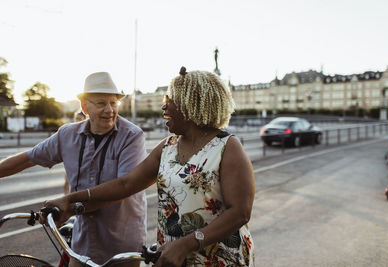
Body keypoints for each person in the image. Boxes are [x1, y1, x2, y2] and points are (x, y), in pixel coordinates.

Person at [44, 67, 255, 266]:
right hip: (172, 259)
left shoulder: (228, 147)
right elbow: (126, 184)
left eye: (170, 99)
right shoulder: (168, 147)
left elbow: (240, 213)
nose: (164, 105)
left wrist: (186, 244)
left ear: (192, 105)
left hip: (217, 259)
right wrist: (70, 200)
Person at [0, 72, 147, 267]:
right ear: (85, 107)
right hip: (83, 243)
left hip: (121, 245)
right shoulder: (67, 135)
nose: (110, 110)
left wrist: (70, 206)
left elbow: (123, 188)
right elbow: (27, 159)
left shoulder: (132, 136)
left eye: (114, 102)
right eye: (101, 103)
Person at [64, 110, 87, 195]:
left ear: (84, 119)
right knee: (66, 182)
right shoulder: (70, 131)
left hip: (82, 164)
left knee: (79, 185)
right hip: (70, 161)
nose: (77, 121)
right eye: (76, 118)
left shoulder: (87, 132)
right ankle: (66, 198)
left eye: (79, 119)